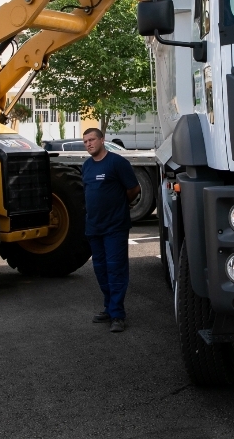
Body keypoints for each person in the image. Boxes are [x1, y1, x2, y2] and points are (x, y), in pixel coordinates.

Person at [81, 127, 140, 333]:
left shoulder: (117, 163)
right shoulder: (86, 166)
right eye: (85, 141)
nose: (88, 144)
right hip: (94, 228)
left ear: (102, 140)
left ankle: (117, 315)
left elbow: (133, 189)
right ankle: (109, 307)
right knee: (101, 270)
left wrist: (121, 206)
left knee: (116, 270)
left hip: (115, 227)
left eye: (92, 140)